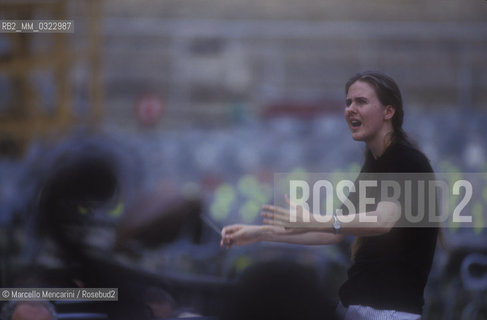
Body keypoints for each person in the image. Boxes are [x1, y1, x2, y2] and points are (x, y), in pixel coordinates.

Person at [221, 71, 438, 320]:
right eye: (348, 102)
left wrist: (312, 219)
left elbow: (383, 221)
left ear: (388, 112)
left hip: (387, 313)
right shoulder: (374, 166)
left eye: (361, 102)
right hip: (356, 307)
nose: (350, 109)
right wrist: (260, 233)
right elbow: (332, 232)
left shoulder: (407, 160)